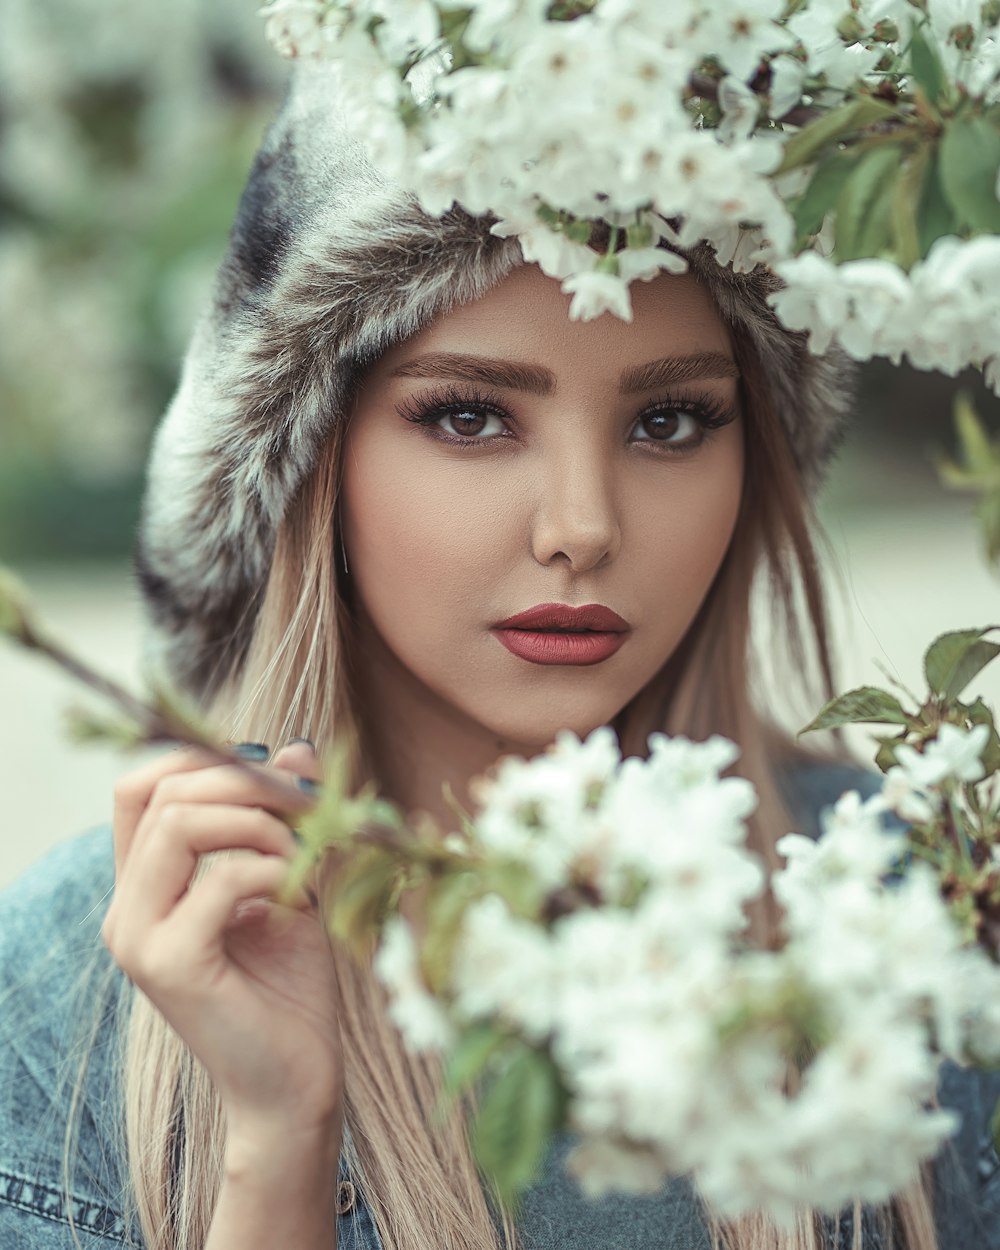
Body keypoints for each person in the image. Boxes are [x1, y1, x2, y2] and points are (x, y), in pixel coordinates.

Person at [2, 61, 999, 1250]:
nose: (581, 525)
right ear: (316, 454)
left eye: (668, 419)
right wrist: (276, 1140)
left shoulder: (915, 909)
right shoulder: (79, 980)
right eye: (470, 414)